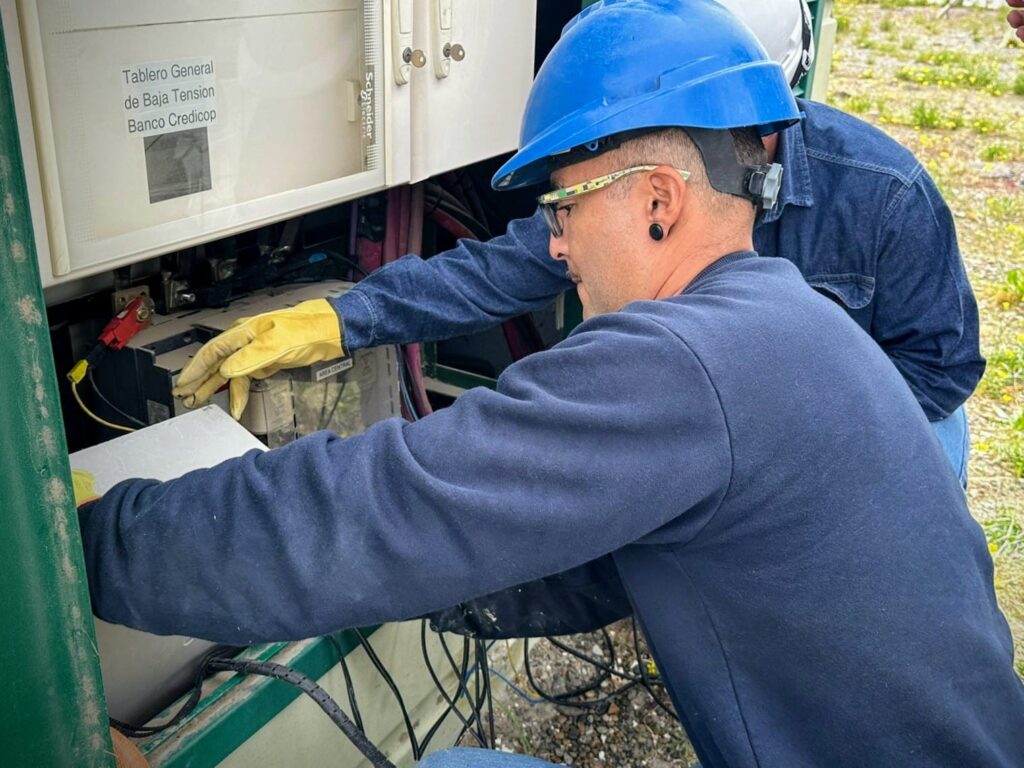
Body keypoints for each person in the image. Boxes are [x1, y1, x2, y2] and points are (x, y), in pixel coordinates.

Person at [79, 2, 1024, 766]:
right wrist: (447, 573)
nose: (556, 245)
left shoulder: (682, 363)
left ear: (659, 203)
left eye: (562, 206)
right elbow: (591, 565)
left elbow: (382, 504)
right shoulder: (791, 317)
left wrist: (70, 547)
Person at [173, 0, 982, 489]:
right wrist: (343, 318)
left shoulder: (883, 195)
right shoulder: (639, 181)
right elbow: (499, 270)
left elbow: (941, 368)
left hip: (855, 433)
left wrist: (803, 438)